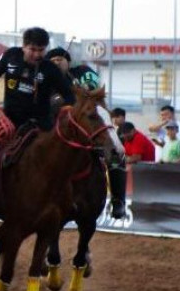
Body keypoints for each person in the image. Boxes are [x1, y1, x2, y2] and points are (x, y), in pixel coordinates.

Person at [45, 46, 126, 218]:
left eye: (61, 59)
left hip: (90, 128)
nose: (57, 62)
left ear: (68, 62)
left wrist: (83, 89)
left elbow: (94, 88)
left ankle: (118, 201)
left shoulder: (83, 72)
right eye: (52, 60)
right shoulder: (45, 79)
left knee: (116, 155)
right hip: (58, 132)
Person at [0, 27, 74, 132]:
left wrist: (63, 112)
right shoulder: (10, 56)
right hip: (9, 121)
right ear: (24, 46)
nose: (36, 55)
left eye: (41, 50)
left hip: (39, 125)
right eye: (32, 49)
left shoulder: (50, 69)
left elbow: (69, 96)